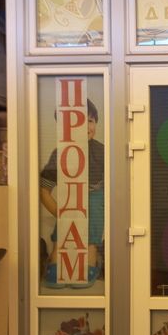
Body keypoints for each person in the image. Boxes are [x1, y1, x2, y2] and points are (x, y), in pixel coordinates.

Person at [40, 98, 104, 289]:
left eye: (90, 120)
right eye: (77, 122)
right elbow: (44, 190)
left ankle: (92, 254)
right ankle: (57, 255)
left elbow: (116, 186)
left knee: (92, 204)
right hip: (72, 197)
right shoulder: (60, 154)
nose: (85, 127)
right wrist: (62, 214)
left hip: (95, 197)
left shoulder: (101, 152)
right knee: (69, 205)